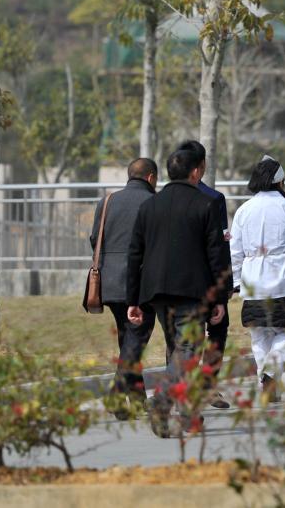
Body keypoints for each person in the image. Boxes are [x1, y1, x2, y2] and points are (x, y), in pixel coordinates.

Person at [125, 150, 232, 438]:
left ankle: (188, 415)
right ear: (196, 172)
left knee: (177, 349)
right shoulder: (206, 204)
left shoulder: (150, 206)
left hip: (156, 291)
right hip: (191, 291)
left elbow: (135, 254)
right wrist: (219, 298)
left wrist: (133, 299)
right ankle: (162, 399)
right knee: (187, 351)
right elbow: (216, 255)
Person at [230, 156, 285, 403]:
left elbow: (235, 251)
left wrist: (236, 281)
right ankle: (269, 373)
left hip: (253, 279)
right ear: (280, 182)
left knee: (260, 335)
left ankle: (266, 383)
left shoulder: (243, 210)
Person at [89, 158, 157, 418]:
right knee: (137, 337)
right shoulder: (153, 202)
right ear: (150, 178)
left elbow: (95, 238)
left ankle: (137, 398)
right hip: (140, 282)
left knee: (128, 338)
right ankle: (117, 395)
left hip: (109, 280)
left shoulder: (107, 201)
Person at [177, 140, 230, 409]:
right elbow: (220, 244)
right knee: (217, 330)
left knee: (178, 336)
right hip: (207, 278)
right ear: (201, 166)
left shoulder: (164, 197)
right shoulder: (213, 199)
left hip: (176, 279)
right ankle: (208, 385)